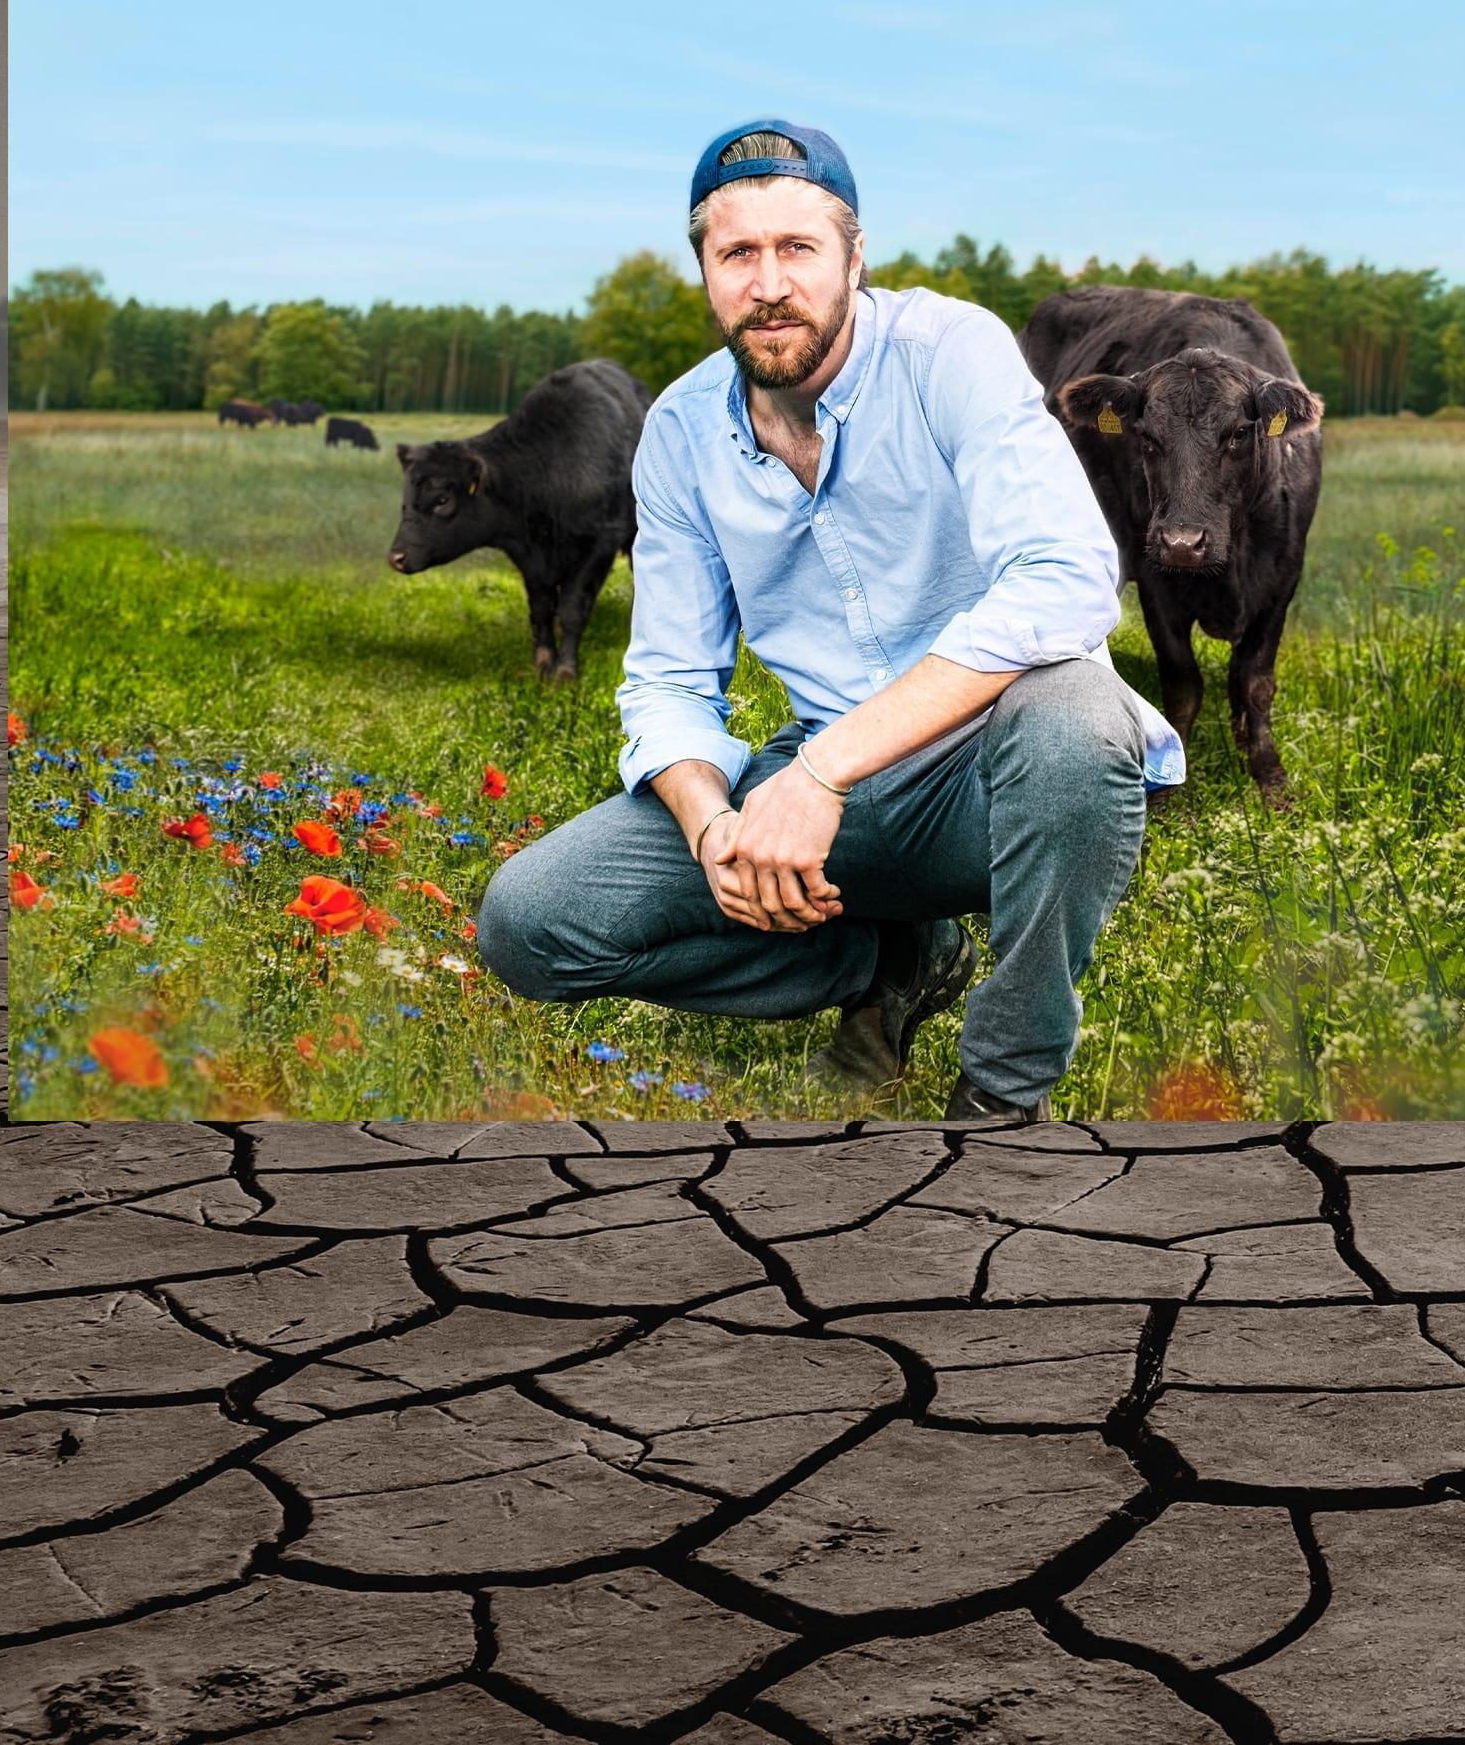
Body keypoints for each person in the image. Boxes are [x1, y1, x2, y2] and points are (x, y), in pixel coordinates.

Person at [476, 119, 1177, 1121]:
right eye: (738, 253)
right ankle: (884, 958)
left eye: (798, 248)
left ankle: (1003, 1086)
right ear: (707, 273)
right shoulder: (680, 431)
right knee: (529, 922)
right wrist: (716, 825)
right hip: (826, 802)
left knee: (1078, 717)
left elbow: (1064, 581)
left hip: (988, 770)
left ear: (855, 257)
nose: (770, 284)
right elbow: (669, 679)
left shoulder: (951, 352)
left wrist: (818, 772)